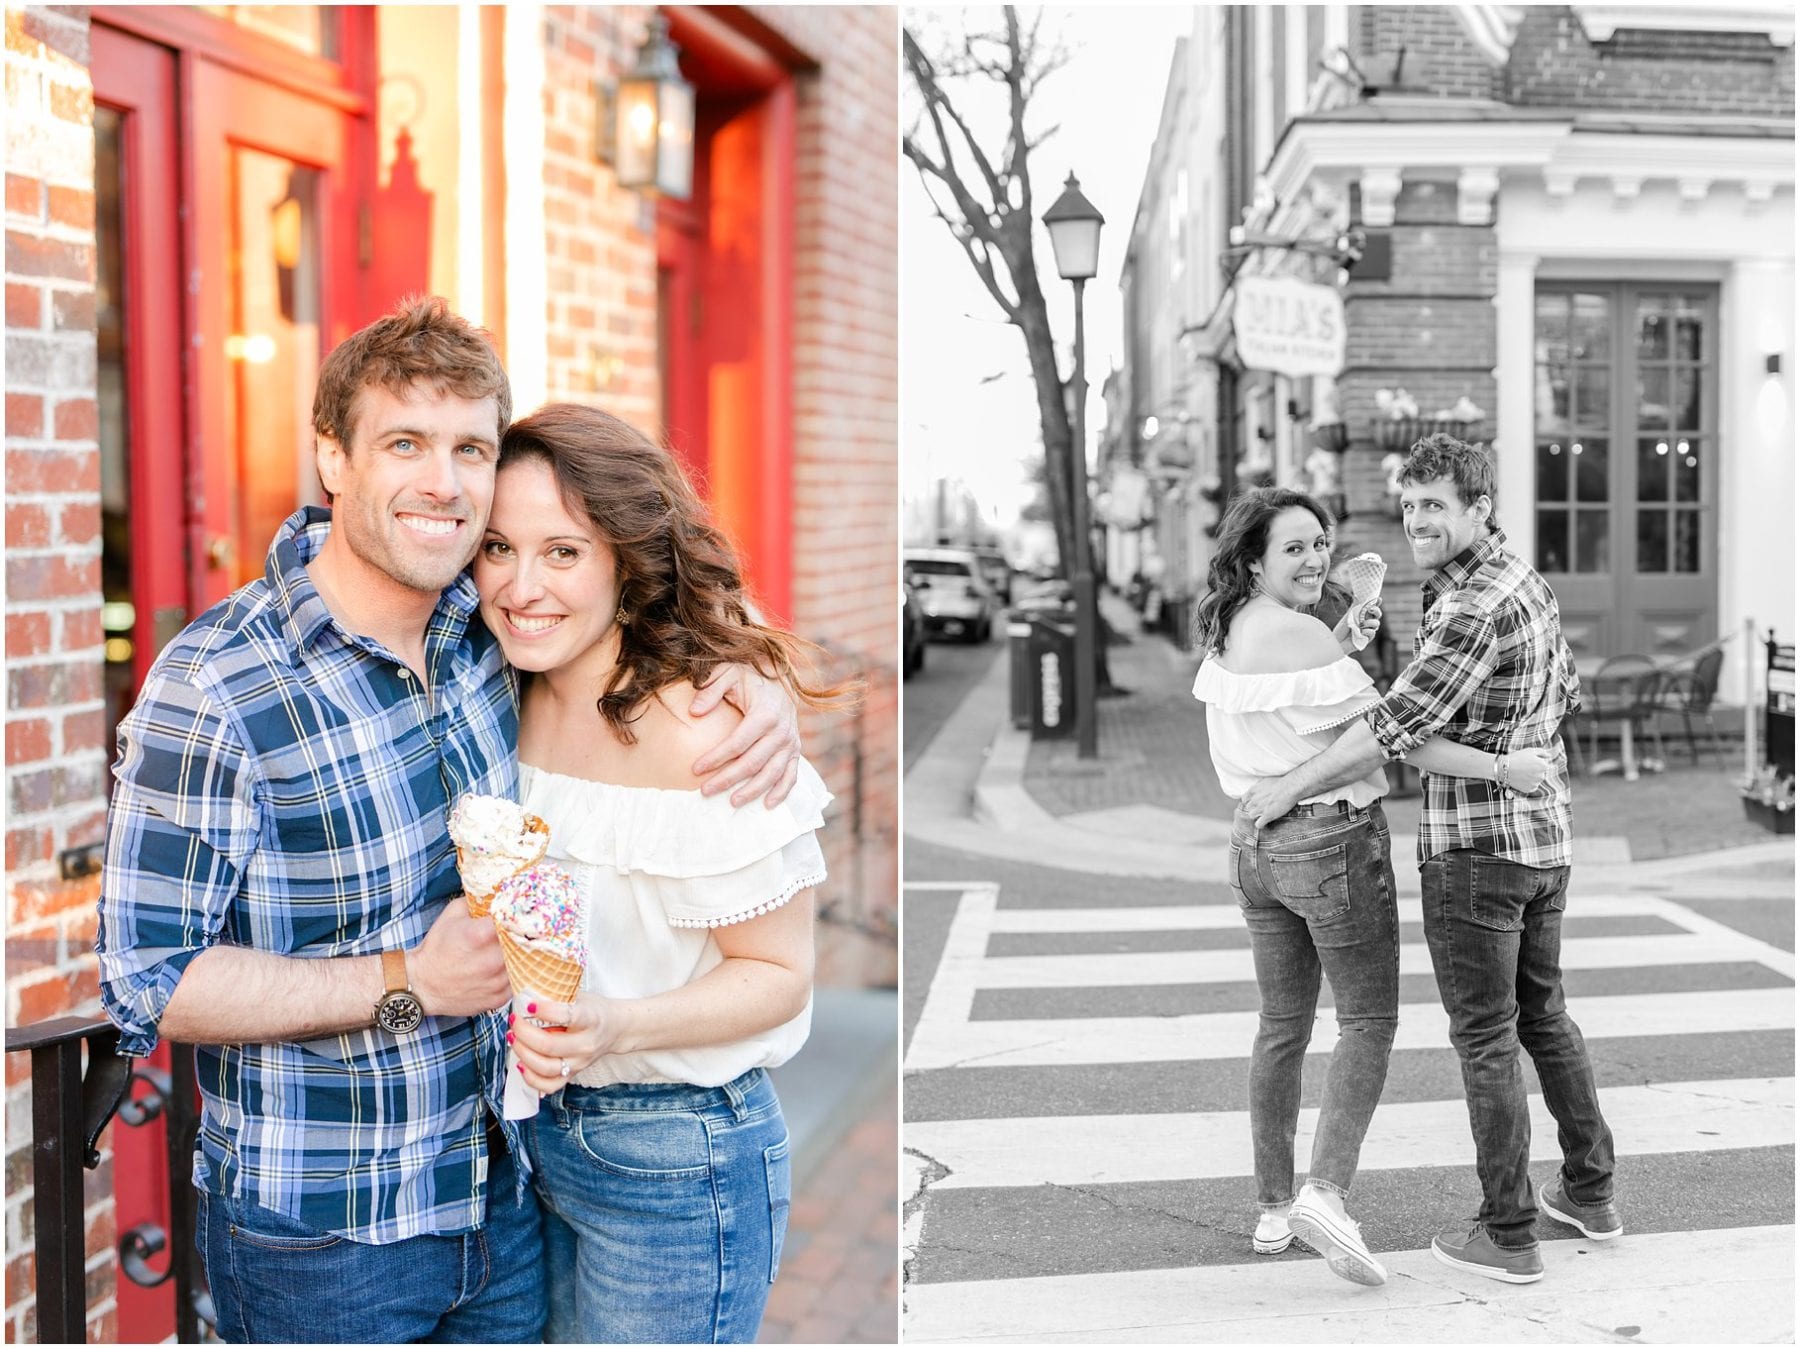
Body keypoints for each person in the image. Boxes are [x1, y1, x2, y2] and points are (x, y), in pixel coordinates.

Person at [95, 297, 803, 1344]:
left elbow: (636, 613)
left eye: (471, 446)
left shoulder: (487, 637)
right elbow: (148, 976)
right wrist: (405, 981)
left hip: (504, 1199)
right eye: (405, 442)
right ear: (333, 457)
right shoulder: (217, 687)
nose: (445, 481)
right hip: (330, 1240)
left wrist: (753, 680)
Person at [481, 404, 850, 1343]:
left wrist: (616, 1024)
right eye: (496, 547)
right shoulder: (497, 688)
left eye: (562, 552)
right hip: (530, 1140)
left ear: (626, 558)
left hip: (677, 1156)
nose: (522, 585)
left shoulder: (709, 733)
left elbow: (778, 975)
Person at [1238, 435, 1620, 1285]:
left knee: (1485, 1037)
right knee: (1544, 1017)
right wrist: (1513, 750)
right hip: (1544, 839)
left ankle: (1508, 1230)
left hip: (1476, 851)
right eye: (1409, 504)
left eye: (1435, 505)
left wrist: (1284, 787)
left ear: (1480, 506)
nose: (1417, 520)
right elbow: (1567, 695)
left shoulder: (1469, 605)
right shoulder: (1526, 581)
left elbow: (1392, 731)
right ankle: (1590, 1192)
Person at [1191, 486, 1551, 1288]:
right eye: (1294, 548)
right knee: (1368, 1020)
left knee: (1281, 1026)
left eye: (1320, 542)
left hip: (1254, 849)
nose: (1316, 557)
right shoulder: (1303, 636)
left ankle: (1274, 1203)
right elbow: (1391, 739)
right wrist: (1501, 764)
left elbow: (1302, 712)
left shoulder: (1232, 629)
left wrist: (1342, 637)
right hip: (1332, 844)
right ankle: (1327, 1190)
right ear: (1254, 560)